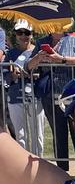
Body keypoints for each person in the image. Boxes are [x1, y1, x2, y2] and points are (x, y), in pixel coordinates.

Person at [25, 29, 75, 172]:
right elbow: (27, 67)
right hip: (50, 96)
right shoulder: (41, 42)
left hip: (73, 96)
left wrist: (61, 59)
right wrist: (37, 58)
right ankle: (63, 174)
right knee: (58, 135)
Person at [2, 19, 44, 155]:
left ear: (32, 34)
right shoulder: (11, 54)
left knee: (37, 135)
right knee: (20, 136)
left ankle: (39, 167)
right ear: (15, 34)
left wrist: (33, 74)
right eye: (20, 32)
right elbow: (4, 75)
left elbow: (44, 73)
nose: (24, 36)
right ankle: (23, 171)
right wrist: (13, 76)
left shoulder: (38, 52)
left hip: (35, 97)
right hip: (15, 98)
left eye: (27, 32)